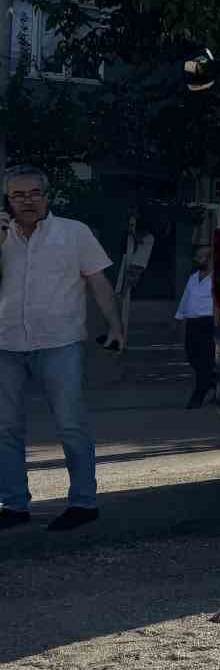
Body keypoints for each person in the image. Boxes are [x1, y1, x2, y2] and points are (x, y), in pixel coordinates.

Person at [0, 166, 126, 532]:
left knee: (71, 425)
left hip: (60, 342)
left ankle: (84, 502)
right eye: (18, 195)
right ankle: (14, 505)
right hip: (6, 343)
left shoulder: (74, 233)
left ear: (47, 195)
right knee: (6, 428)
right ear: (8, 199)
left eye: (34, 193)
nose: (27, 201)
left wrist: (115, 326)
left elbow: (98, 282)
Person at [100, 213, 155, 350]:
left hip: (137, 264)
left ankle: (121, 298)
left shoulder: (148, 237)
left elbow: (138, 239)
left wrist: (131, 231)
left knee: (125, 290)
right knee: (125, 290)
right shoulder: (146, 238)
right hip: (136, 264)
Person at [175, 244, 215, 409]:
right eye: (197, 256)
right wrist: (179, 317)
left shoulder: (216, 278)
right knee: (192, 356)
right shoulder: (193, 277)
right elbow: (186, 298)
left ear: (210, 259)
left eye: (201, 257)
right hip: (192, 324)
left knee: (204, 360)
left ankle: (199, 393)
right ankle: (213, 384)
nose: (197, 260)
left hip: (208, 323)